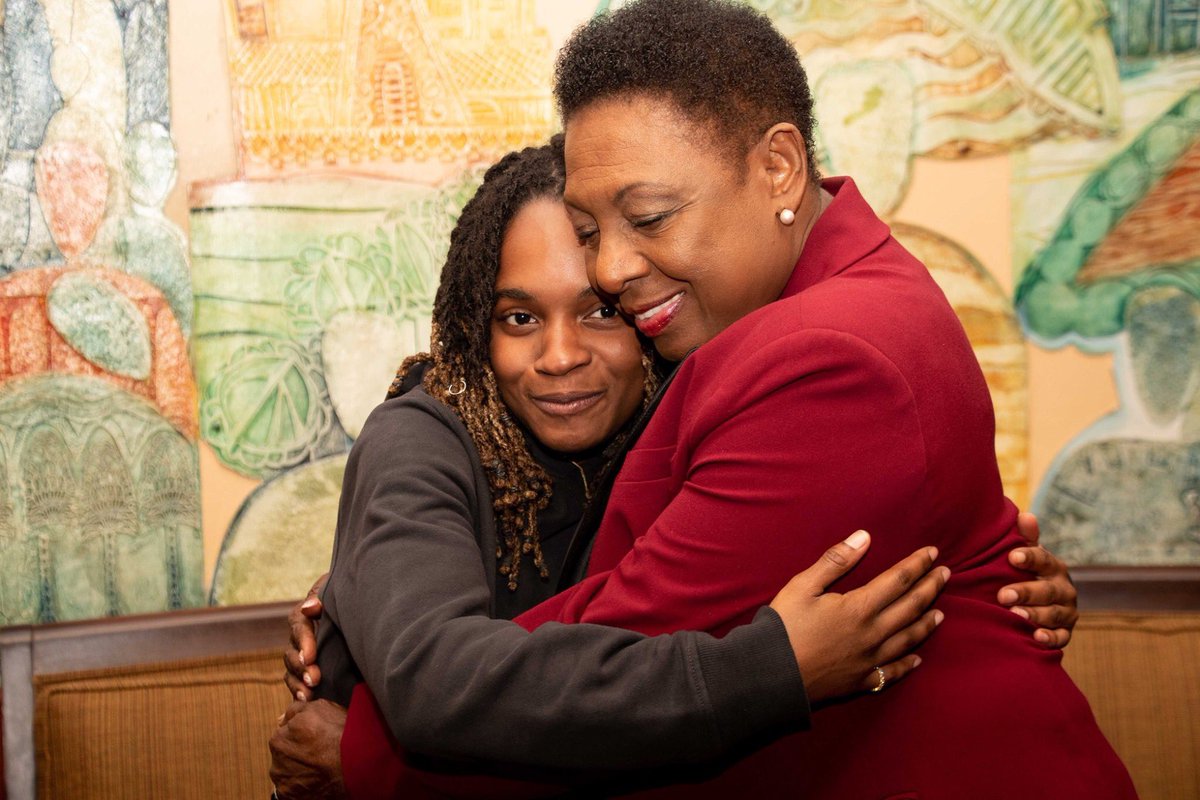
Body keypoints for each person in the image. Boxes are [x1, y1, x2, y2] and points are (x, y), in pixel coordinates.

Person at [273, 131, 1084, 800]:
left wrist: (987, 581)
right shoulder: (422, 440)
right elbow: (434, 679)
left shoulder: (688, 419)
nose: (560, 356)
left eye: (599, 312)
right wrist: (775, 670)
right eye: (519, 317)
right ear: (474, 328)